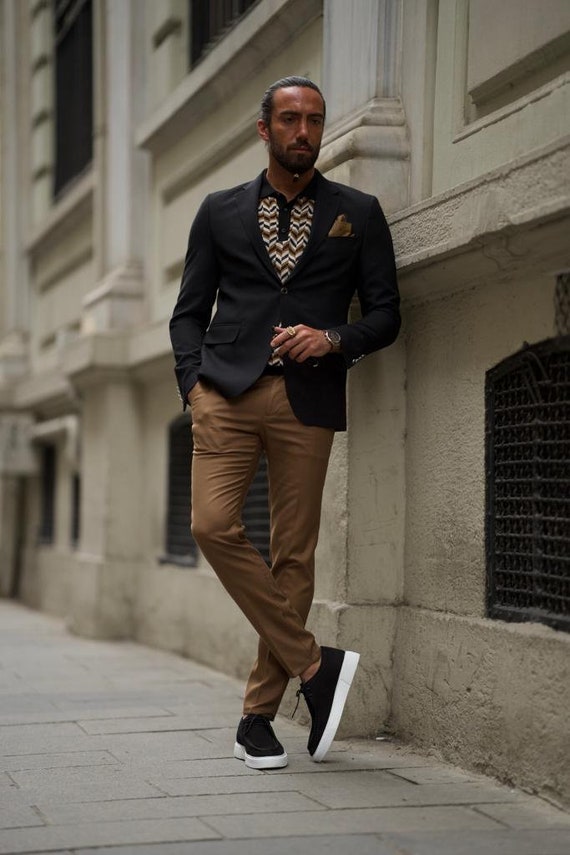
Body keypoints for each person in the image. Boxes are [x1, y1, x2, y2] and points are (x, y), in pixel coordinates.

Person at [169, 76, 400, 770]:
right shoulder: (218, 210)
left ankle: (257, 717)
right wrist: (193, 388)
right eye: (291, 119)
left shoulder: (357, 212)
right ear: (263, 129)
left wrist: (331, 339)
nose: (304, 131)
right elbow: (188, 309)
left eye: (315, 120)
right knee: (211, 524)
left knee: (293, 558)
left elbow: (387, 314)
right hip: (227, 393)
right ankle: (315, 664)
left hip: (308, 399)